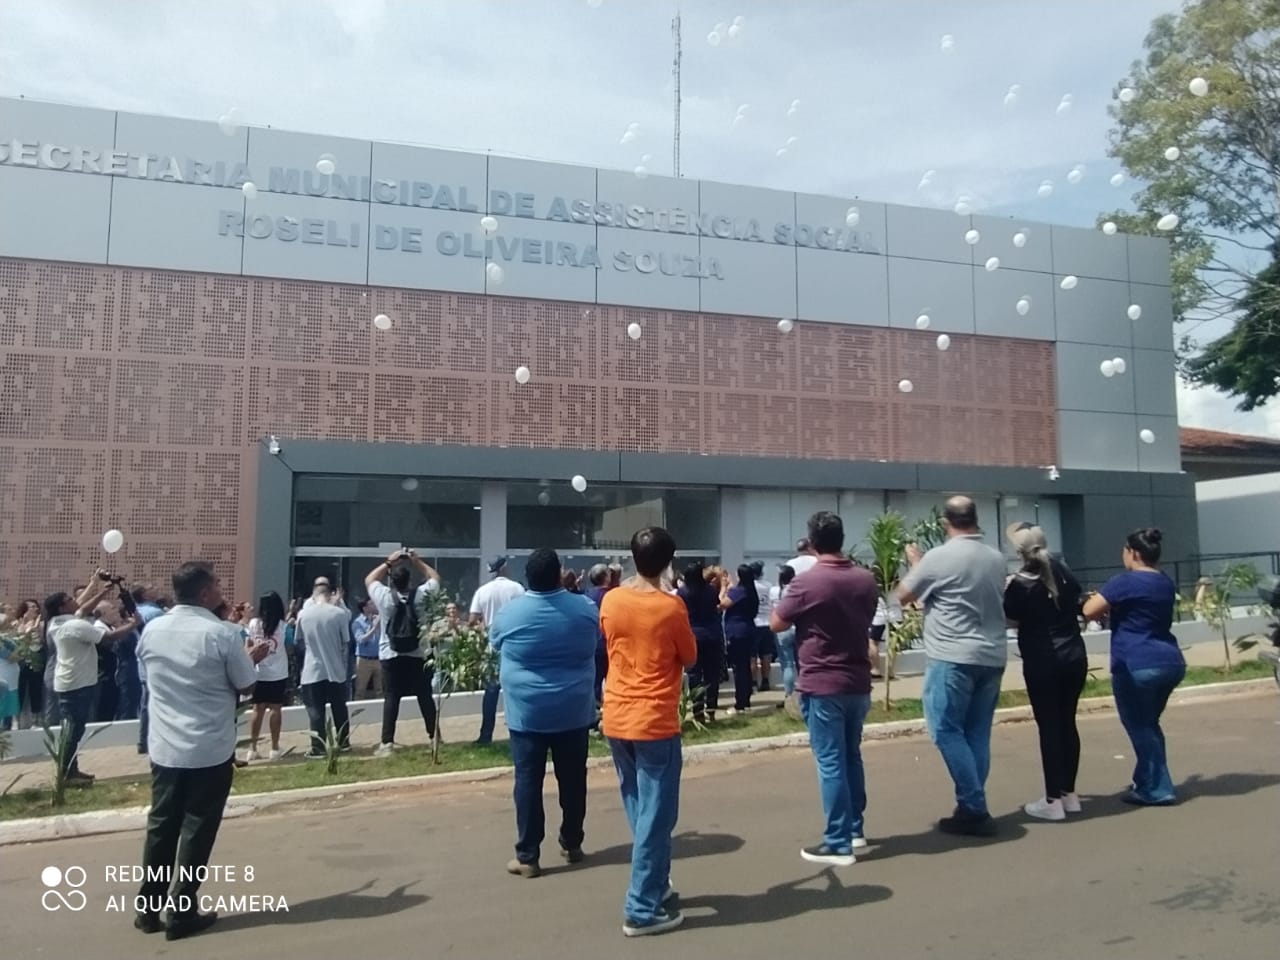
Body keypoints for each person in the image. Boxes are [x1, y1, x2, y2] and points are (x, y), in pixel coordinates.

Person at [134, 560, 269, 941]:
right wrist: (251, 661)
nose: (222, 591)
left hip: (166, 748)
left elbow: (149, 678)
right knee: (197, 827)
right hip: (209, 747)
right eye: (218, 585)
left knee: (161, 826)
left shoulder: (152, 630)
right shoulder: (222, 634)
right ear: (206, 592)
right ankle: (181, 910)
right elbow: (245, 686)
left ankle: (148, 908)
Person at [601, 527, 697, 937]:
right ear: (668, 561)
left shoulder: (611, 599)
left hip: (618, 717)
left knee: (643, 812)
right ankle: (641, 907)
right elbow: (689, 657)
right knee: (657, 818)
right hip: (654, 720)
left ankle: (656, 885)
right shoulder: (670, 608)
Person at [771, 512, 879, 865]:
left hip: (822, 680)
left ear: (812, 542)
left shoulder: (807, 582)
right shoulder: (866, 579)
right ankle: (855, 829)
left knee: (831, 760)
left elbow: (776, 622)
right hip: (857, 680)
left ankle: (837, 841)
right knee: (851, 755)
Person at [899, 495, 1008, 837]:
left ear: (946, 522)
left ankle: (975, 807)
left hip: (952, 656)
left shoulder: (937, 557)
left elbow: (901, 596)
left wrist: (916, 562)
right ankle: (969, 804)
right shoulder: (996, 557)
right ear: (976, 519)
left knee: (946, 730)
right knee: (977, 733)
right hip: (992, 655)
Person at [489, 548, 599, 878]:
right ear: (558, 574)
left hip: (528, 714)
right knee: (573, 779)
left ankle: (528, 855)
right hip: (573, 711)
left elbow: (494, 643)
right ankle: (572, 842)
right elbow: (595, 640)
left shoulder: (511, 614)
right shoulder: (585, 609)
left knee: (527, 782)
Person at [1082, 527, 1185, 806]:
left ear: (1133, 553)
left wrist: (1104, 600)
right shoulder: (1165, 582)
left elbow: (1089, 610)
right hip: (1170, 660)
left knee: (1139, 725)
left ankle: (1159, 789)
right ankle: (1145, 781)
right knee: (1149, 724)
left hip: (1135, 663)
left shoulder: (1124, 582)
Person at [1003, 523, 1088, 821]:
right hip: (1075, 655)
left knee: (1049, 726)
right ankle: (1069, 793)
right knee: (1068, 722)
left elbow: (1010, 619)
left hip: (1042, 659)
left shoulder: (1020, 583)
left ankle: (1052, 799)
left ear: (1019, 553)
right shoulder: (1064, 572)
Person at [45, 575, 123, 784]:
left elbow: (83, 608)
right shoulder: (73, 626)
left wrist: (103, 591)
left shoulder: (58, 621)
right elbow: (107, 638)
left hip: (72, 682)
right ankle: (67, 774)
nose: (75, 601)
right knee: (73, 729)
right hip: (76, 684)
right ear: (62, 608)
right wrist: (133, 624)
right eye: (70, 599)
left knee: (73, 728)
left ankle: (71, 770)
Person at [365, 549, 442, 756]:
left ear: (393, 580)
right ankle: (434, 737)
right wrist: (417, 562)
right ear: (409, 580)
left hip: (391, 654)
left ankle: (387, 743)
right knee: (425, 696)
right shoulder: (422, 595)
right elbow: (435, 577)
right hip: (419, 653)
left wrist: (389, 562)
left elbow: (370, 579)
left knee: (391, 698)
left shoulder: (384, 597)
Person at [471, 557, 526, 745]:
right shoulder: (517, 589)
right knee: (516, 692)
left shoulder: (482, 591)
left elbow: (473, 620)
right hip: (515, 646)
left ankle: (486, 735)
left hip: (492, 647)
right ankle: (518, 731)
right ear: (504, 568)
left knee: (491, 693)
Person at [296, 582, 354, 758]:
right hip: (335, 668)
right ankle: (343, 742)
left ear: (314, 596)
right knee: (339, 708)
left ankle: (318, 747)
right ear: (330, 595)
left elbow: (299, 640)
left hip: (312, 669)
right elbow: (345, 641)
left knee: (315, 710)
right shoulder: (339, 614)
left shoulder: (303, 614)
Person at [677, 561, 730, 722]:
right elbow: (716, 606)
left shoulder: (683, 592)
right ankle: (711, 709)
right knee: (712, 675)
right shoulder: (710, 590)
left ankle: (697, 710)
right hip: (712, 635)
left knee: (694, 675)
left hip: (692, 635)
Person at [243, 592, 289, 761]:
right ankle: (275, 748)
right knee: (275, 709)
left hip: (258, 671)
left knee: (257, 709)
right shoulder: (283, 626)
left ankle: (252, 748)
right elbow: (288, 645)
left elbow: (248, 643)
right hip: (278, 672)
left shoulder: (254, 623)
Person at [132, 584, 166, 755]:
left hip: (143, 661)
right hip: (157, 662)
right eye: (151, 587)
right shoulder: (155, 613)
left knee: (145, 703)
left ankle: (143, 740)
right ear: (144, 594)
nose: (155, 589)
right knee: (153, 702)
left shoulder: (137, 612)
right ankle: (148, 740)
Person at [723, 564, 759, 714]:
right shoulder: (751, 591)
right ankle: (746, 700)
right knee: (745, 666)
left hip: (737, 632)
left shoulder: (738, 591)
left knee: (739, 668)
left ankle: (740, 703)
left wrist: (724, 587)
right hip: (749, 630)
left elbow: (723, 604)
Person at [771, 565, 799, 697]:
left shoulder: (774, 590)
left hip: (782, 629)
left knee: (787, 664)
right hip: (797, 627)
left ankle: (789, 694)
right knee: (801, 663)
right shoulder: (796, 590)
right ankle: (805, 691)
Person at [750, 560, 777, 692]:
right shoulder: (769, 586)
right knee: (766, 655)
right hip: (767, 623)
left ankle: (753, 682)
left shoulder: (749, 586)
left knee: (752, 656)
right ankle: (765, 681)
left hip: (754, 623)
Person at [352, 597, 382, 699]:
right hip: (364, 660)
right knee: (360, 689)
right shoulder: (358, 623)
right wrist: (374, 628)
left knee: (380, 689)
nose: (374, 605)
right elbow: (360, 639)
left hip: (378, 658)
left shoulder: (377, 619)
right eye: (371, 604)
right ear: (365, 608)